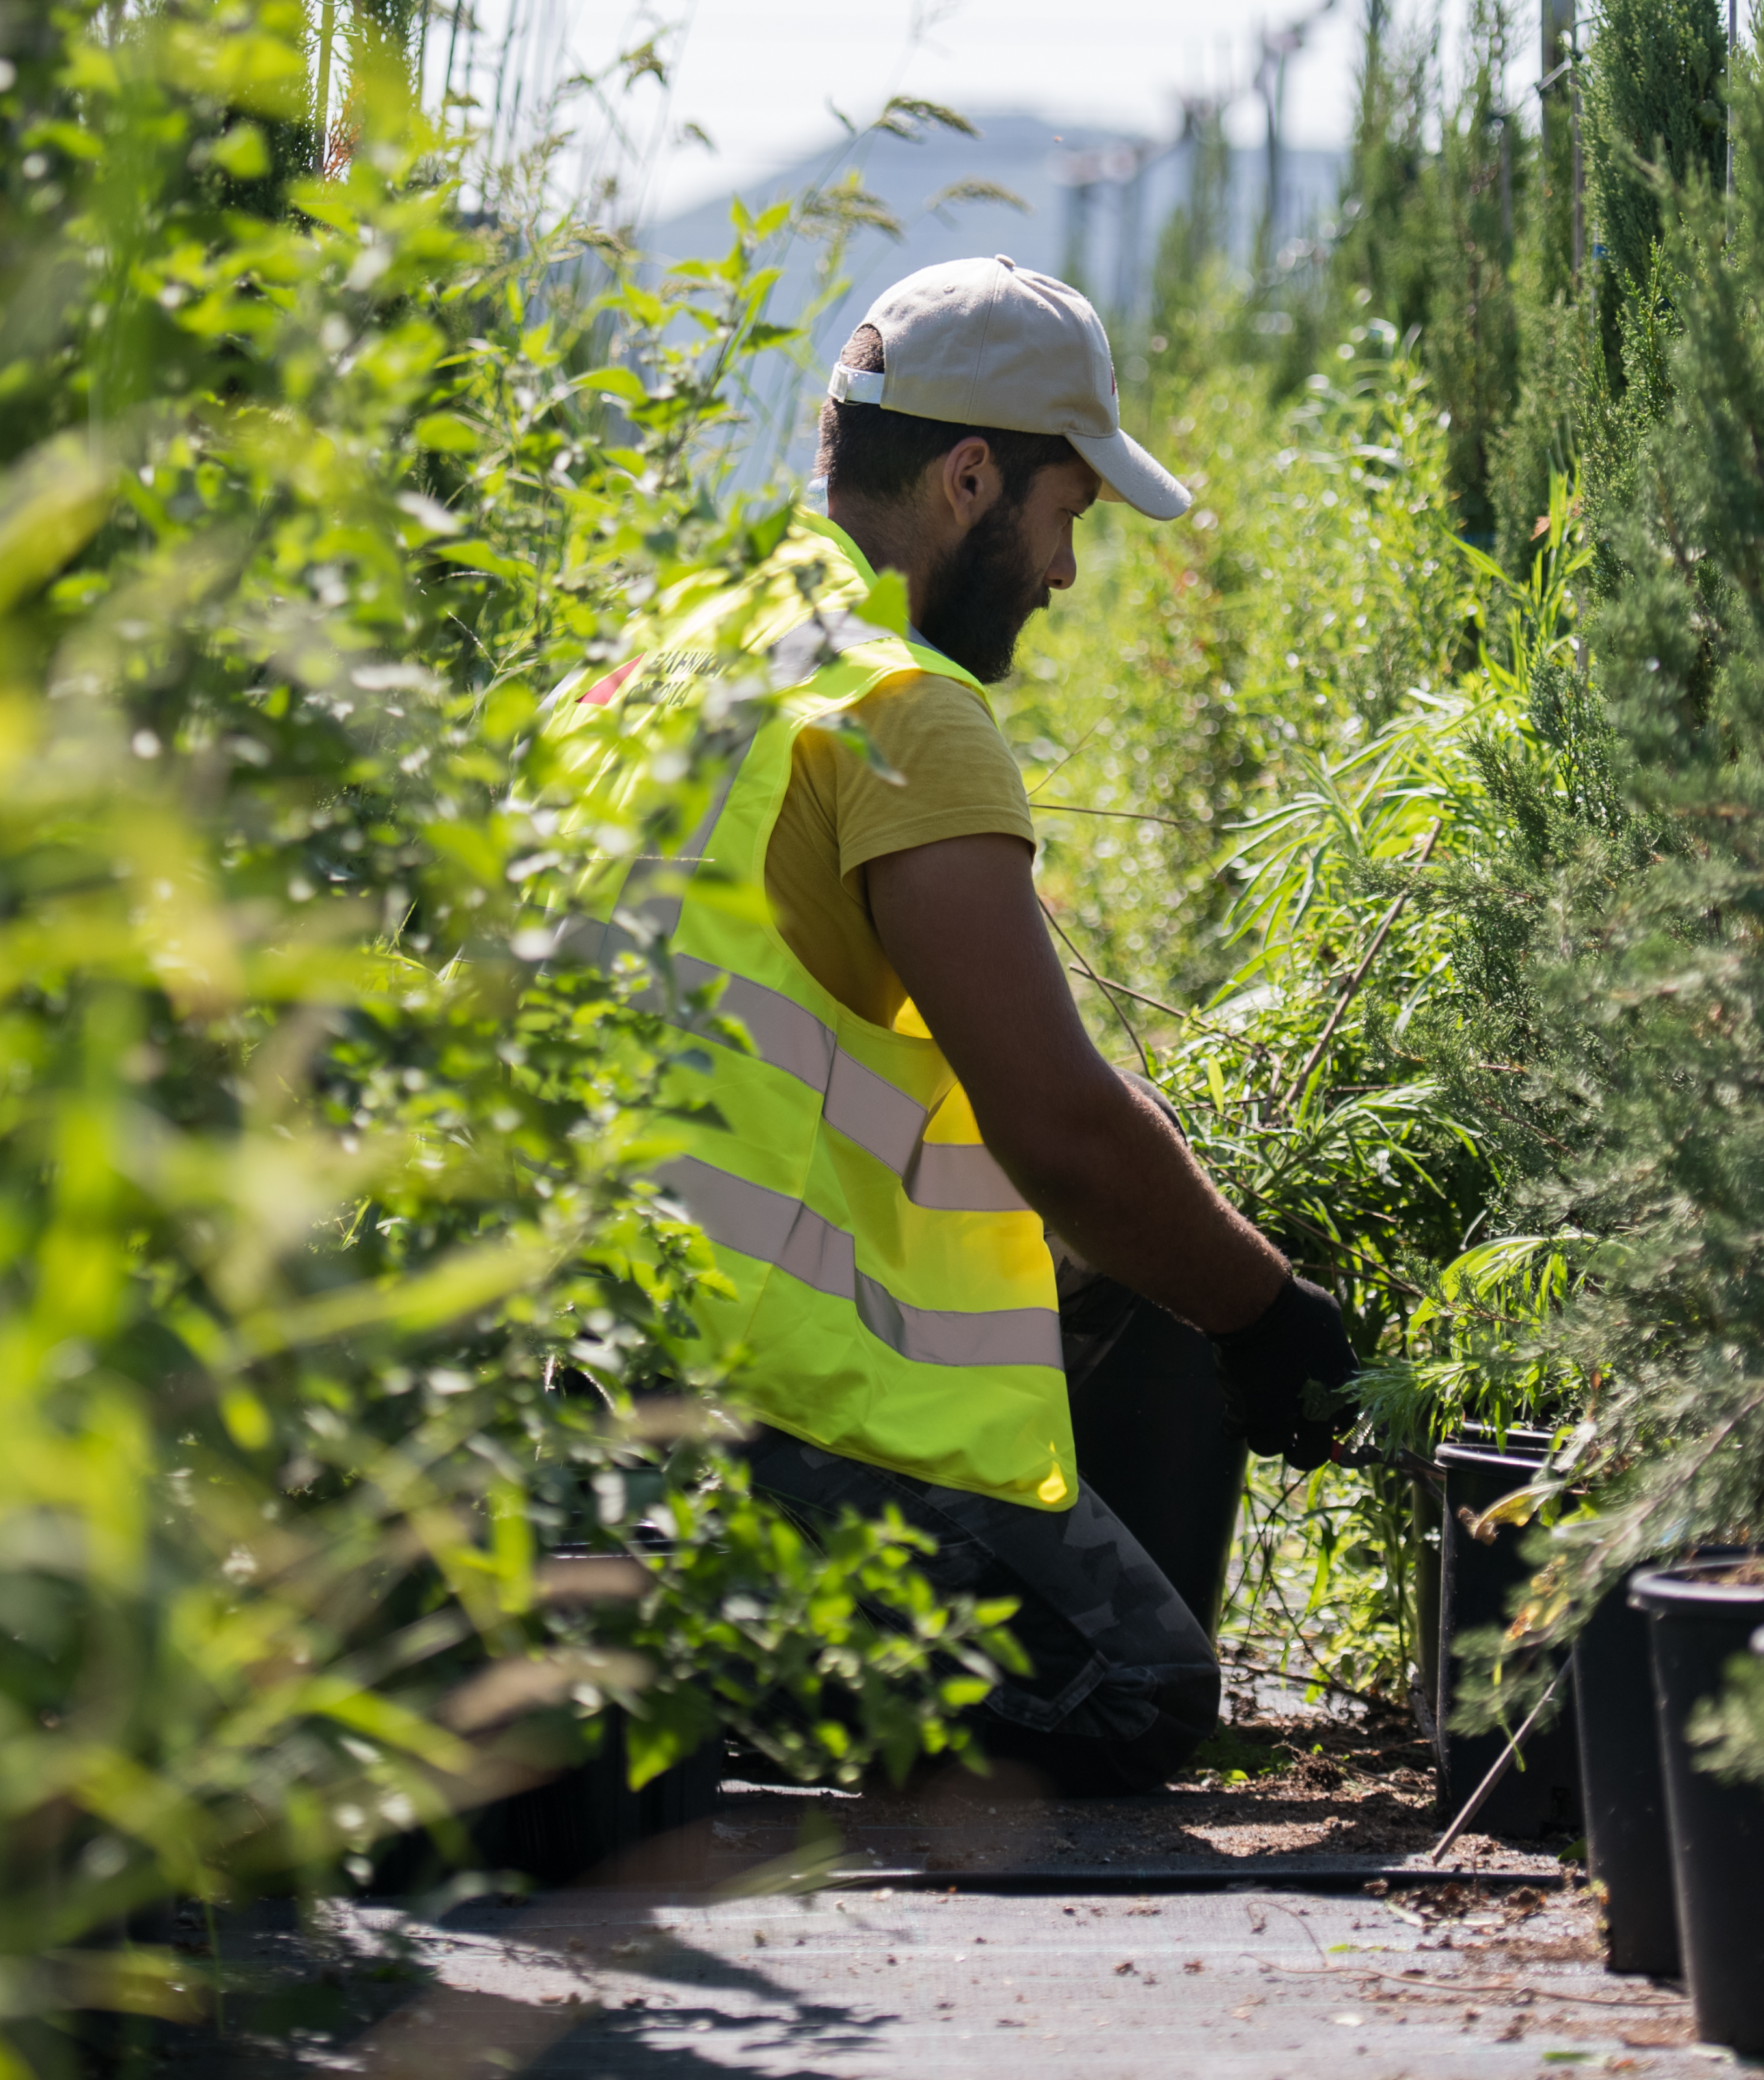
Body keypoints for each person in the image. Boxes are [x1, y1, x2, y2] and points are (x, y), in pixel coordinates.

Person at [540, 254, 1361, 1794]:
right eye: (1066, 518)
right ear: (970, 478)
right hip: (761, 1411)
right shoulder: (900, 711)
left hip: (588, 1365)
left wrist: (1201, 1266)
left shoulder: (658, 655)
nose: (1059, 572)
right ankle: (704, 1662)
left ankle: (657, 1599)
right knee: (1136, 1683)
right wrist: (1269, 1321)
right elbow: (1054, 1123)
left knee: (1142, 1281)